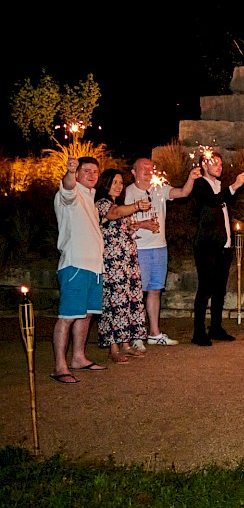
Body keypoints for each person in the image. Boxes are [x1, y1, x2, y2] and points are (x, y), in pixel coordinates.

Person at [125, 157, 200, 348]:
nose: (149, 171)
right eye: (144, 168)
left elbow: (183, 192)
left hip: (159, 247)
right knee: (137, 292)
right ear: (134, 172)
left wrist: (191, 177)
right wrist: (143, 224)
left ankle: (154, 333)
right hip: (139, 247)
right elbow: (121, 220)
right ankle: (135, 334)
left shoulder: (159, 188)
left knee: (155, 290)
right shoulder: (128, 192)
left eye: (151, 168)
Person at [51, 156, 108, 383]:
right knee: (67, 316)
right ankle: (59, 366)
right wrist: (71, 172)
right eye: (86, 171)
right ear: (77, 173)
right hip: (75, 265)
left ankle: (78, 357)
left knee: (86, 315)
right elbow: (66, 187)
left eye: (95, 171)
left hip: (94, 268)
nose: (92, 175)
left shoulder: (91, 200)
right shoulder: (70, 194)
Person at [95, 169, 151, 364]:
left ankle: (126, 343)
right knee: (115, 302)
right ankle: (114, 348)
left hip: (127, 261)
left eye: (120, 183)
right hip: (113, 262)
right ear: (106, 184)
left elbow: (124, 224)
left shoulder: (118, 204)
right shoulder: (102, 204)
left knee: (130, 300)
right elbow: (114, 214)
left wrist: (141, 225)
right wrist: (136, 206)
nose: (119, 186)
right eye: (115, 182)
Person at [190, 152, 244, 346]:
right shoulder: (199, 185)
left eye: (221, 164)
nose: (219, 167)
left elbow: (224, 203)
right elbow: (214, 201)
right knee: (205, 288)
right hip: (206, 245)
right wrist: (235, 186)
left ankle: (215, 327)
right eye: (215, 163)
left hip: (224, 244)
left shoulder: (220, 186)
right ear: (204, 165)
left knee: (219, 290)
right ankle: (198, 332)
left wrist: (231, 188)